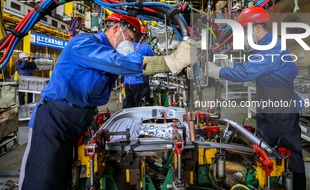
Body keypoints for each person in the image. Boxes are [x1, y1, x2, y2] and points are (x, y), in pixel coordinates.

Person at [19, 12, 198, 190]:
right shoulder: (84, 44)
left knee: (62, 178)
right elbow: (118, 62)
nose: (132, 45)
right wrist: (171, 61)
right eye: (129, 38)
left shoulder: (108, 51)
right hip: (54, 121)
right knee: (42, 180)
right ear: (116, 28)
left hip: (77, 121)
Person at [208, 7, 306, 190]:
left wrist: (219, 71)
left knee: (290, 154)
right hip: (269, 104)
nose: (244, 35)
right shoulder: (264, 46)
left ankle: (298, 186)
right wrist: (232, 64)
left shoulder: (273, 46)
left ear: (257, 28)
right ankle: (271, 183)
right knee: (266, 149)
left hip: (281, 107)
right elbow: (254, 67)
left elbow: (248, 72)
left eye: (245, 30)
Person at [122, 27, 155, 108]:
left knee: (129, 106)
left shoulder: (125, 48)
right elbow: (153, 62)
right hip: (140, 82)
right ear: (142, 37)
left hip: (127, 83)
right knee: (140, 107)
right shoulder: (146, 48)